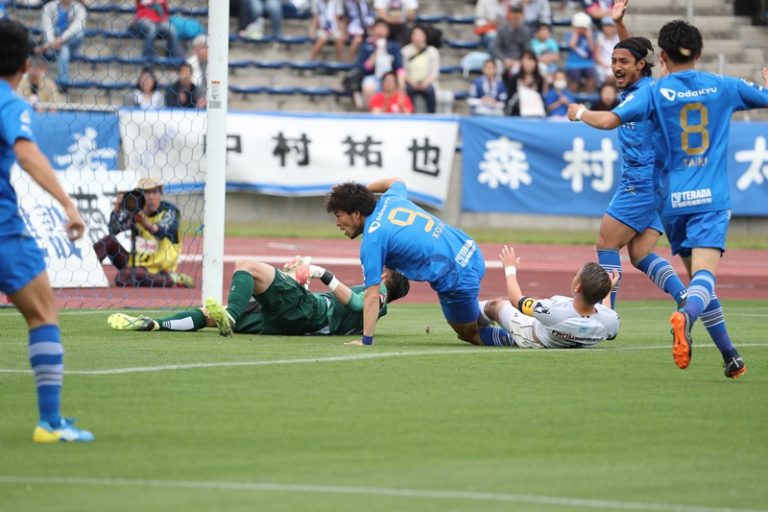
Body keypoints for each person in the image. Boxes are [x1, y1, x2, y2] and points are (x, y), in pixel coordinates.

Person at [568, 18, 768, 378]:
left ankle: (730, 356)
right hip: (708, 198)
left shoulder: (655, 93)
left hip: (670, 199)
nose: (618, 66)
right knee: (702, 278)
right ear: (700, 53)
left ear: (660, 57)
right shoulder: (722, 85)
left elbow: (610, 120)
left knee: (633, 251)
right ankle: (685, 314)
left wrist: (580, 112)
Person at [0, 19, 93, 442]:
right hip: (4, 231)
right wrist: (68, 205)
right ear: (25, 64)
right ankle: (50, 423)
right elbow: (26, 153)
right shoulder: (11, 103)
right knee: (42, 314)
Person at [325, 177, 511, 347]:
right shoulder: (391, 198)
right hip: (469, 249)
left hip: (456, 276)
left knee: (469, 333)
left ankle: (520, 334)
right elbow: (396, 180)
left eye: (339, 215)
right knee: (471, 315)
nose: (337, 223)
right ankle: (503, 312)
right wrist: (359, 193)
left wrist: (366, 341)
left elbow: (372, 296)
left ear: (356, 214)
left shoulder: (372, 240)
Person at [107, 258, 410, 337]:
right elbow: (350, 309)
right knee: (209, 314)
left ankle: (231, 317)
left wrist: (323, 273)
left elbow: (355, 303)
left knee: (246, 268)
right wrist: (298, 280)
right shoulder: (373, 306)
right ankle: (155, 324)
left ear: (385, 278)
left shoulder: (379, 293)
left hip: (309, 313)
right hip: (295, 322)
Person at [479, 245, 620, 348]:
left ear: (577, 287)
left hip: (530, 333)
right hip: (556, 335)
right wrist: (607, 292)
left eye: (576, 276)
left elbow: (516, 299)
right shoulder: (610, 321)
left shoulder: (554, 311)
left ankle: (469, 318)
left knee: (496, 305)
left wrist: (509, 267)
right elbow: (606, 315)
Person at [92, 177, 193, 288]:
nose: (150, 197)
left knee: (125, 277)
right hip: (136, 264)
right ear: (139, 196)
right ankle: (86, 270)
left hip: (159, 269)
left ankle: (169, 280)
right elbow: (114, 230)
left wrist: (143, 222)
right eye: (146, 192)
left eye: (154, 192)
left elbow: (161, 232)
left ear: (161, 194)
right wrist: (118, 207)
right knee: (108, 241)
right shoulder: (135, 212)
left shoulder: (170, 211)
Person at [37, 0, 86, 89]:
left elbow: (77, 27)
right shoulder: (49, 7)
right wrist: (52, 42)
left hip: (71, 44)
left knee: (80, 33)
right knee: (64, 49)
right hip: (54, 44)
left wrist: (61, 40)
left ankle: (63, 85)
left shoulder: (80, 8)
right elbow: (47, 27)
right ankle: (63, 85)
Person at [355, 18, 404, 107]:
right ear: (373, 30)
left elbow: (399, 67)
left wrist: (401, 85)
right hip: (373, 77)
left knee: (399, 86)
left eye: (383, 28)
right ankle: (371, 111)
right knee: (368, 87)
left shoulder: (394, 46)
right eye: (378, 27)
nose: (380, 30)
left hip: (390, 77)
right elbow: (362, 69)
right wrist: (376, 53)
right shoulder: (366, 47)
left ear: (388, 31)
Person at [401, 25, 440, 113]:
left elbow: (434, 72)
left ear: (425, 36)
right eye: (415, 34)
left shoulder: (432, 51)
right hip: (411, 82)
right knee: (408, 90)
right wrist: (412, 83)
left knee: (430, 91)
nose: (417, 37)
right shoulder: (405, 51)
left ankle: (432, 115)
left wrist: (425, 83)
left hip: (427, 82)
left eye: (420, 34)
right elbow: (403, 71)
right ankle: (411, 115)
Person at [504, 49, 546, 117]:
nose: (528, 63)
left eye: (531, 60)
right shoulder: (515, 78)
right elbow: (510, 98)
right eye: (526, 60)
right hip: (517, 112)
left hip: (535, 111)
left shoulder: (539, 79)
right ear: (521, 62)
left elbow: (541, 96)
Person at [492, 4, 530, 77]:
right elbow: (496, 48)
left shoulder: (526, 31)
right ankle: (498, 84)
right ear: (510, 14)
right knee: (497, 65)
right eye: (513, 12)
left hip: (518, 60)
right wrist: (504, 59)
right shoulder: (502, 29)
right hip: (504, 59)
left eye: (518, 13)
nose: (515, 15)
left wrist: (519, 60)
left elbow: (527, 50)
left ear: (522, 15)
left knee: (520, 68)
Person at [564, 11, 596, 93]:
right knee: (575, 77)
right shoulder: (570, 34)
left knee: (591, 76)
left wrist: (589, 38)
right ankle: (573, 96)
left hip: (587, 63)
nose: (581, 30)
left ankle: (588, 96)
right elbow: (571, 45)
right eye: (579, 27)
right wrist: (576, 34)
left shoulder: (590, 36)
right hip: (573, 64)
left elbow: (592, 49)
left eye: (583, 28)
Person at [595, 17, 619, 84]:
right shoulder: (599, 38)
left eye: (610, 26)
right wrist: (604, 65)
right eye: (606, 26)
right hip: (603, 65)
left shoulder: (618, 38)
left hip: (616, 64)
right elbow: (597, 55)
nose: (607, 28)